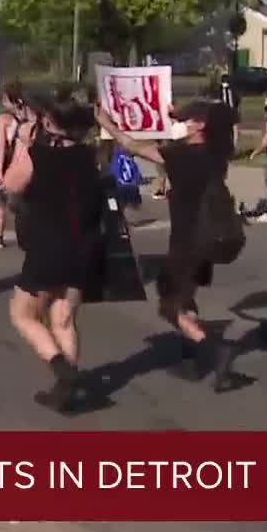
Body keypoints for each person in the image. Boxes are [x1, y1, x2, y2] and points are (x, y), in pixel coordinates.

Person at [96, 98, 237, 385]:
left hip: (187, 241)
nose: (178, 124)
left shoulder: (182, 156)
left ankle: (212, 349)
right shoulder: (217, 152)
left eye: (186, 120)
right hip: (208, 239)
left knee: (168, 306)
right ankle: (193, 356)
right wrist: (174, 116)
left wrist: (106, 123)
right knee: (186, 298)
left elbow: (132, 145)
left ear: (199, 126)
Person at [2, 85, 102, 413]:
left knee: (22, 313)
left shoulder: (39, 155)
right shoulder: (91, 157)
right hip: (83, 245)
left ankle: (63, 371)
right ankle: (66, 390)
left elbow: (10, 184)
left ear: (49, 123)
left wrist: (22, 143)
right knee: (63, 318)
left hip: (49, 245)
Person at [0, 82, 33, 249]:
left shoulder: (6, 119)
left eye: (5, 100)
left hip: (13, 160)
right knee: (9, 198)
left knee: (5, 198)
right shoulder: (24, 117)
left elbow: (1, 145)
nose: (3, 103)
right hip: (17, 160)